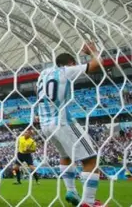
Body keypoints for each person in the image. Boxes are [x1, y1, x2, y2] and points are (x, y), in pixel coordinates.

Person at [36, 41, 104, 207]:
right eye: (75, 64)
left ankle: (71, 190)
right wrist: (93, 52)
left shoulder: (43, 73)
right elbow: (96, 65)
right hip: (62, 122)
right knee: (90, 159)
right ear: (71, 63)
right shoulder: (66, 71)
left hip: (45, 126)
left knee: (65, 156)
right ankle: (88, 202)